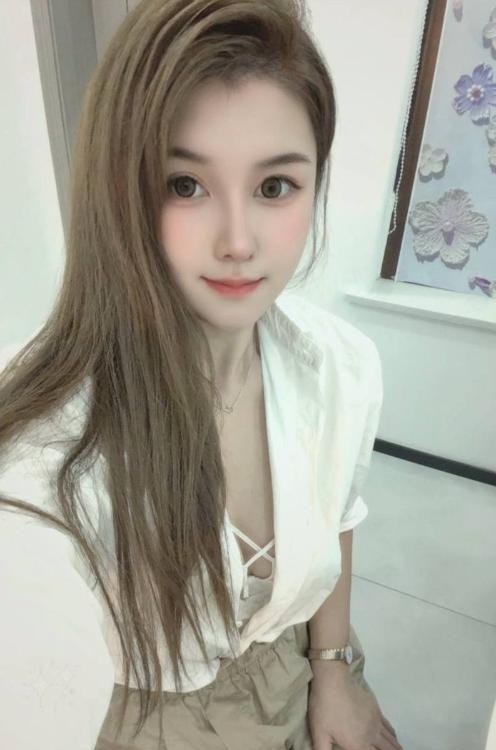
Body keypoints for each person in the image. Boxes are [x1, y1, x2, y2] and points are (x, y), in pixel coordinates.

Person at [0, 1, 404, 748]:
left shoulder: (339, 366)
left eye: (275, 187)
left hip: (297, 672)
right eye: (185, 185)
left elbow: (340, 515)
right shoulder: (45, 446)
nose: (238, 242)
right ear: (118, 190)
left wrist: (333, 668)